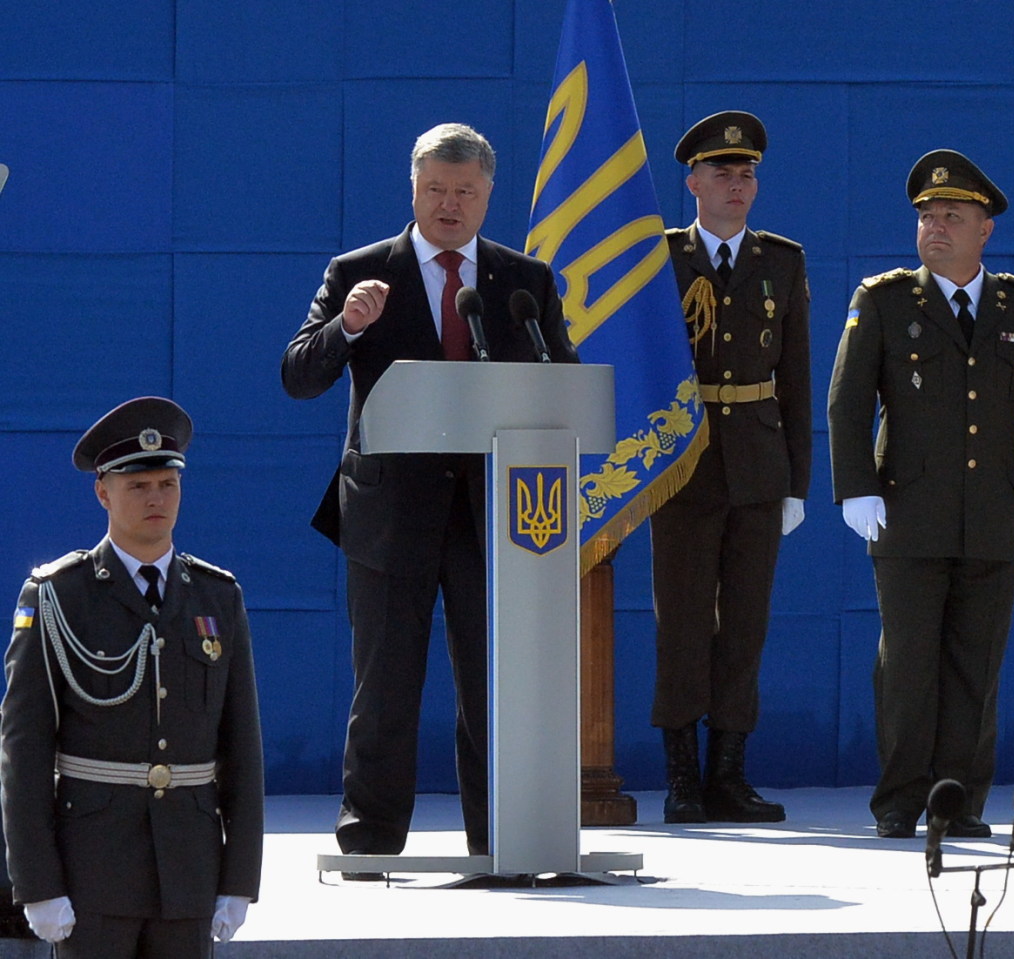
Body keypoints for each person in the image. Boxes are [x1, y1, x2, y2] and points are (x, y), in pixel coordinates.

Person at [281, 122, 578, 864]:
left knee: (493, 690)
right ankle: (370, 837)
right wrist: (347, 328)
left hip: (500, 517)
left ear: (487, 196)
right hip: (389, 511)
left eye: (466, 193)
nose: (450, 205)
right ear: (413, 189)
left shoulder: (524, 282)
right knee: (384, 687)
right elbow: (299, 375)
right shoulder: (360, 271)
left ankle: (500, 837)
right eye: (437, 190)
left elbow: (563, 382)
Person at [827, 150, 1014, 839]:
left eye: (952, 217)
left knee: (975, 666)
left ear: (984, 229)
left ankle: (958, 798)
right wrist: (856, 488)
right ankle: (902, 799)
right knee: (907, 665)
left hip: (992, 514)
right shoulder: (883, 300)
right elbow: (847, 403)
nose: (936, 228)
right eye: (928, 217)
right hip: (907, 512)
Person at [1, 396, 263, 955]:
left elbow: (242, 750)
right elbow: (23, 751)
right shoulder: (58, 596)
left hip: (189, 875)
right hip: (92, 877)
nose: (156, 499)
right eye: (138, 486)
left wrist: (239, 879)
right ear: (103, 493)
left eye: (167, 484)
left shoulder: (217, 596)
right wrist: (37, 885)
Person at [651, 111, 812, 824]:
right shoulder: (660, 256)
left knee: (746, 622)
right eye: (721, 172)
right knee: (682, 621)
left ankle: (730, 773)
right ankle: (682, 775)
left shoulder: (782, 260)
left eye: (746, 173)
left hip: (756, 460)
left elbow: (799, 379)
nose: (736, 185)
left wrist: (798, 481)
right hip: (683, 461)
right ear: (692, 181)